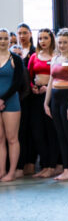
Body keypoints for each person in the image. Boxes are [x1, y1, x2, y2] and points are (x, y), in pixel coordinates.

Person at [44, 29, 68, 181]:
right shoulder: (55, 59)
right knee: (61, 135)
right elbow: (50, 81)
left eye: (65, 42)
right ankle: (66, 168)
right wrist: (46, 103)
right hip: (55, 99)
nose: (62, 45)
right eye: (60, 42)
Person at [29, 28, 61, 178]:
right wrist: (33, 88)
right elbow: (28, 77)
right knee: (37, 132)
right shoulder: (34, 56)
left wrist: (48, 88)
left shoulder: (57, 56)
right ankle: (45, 164)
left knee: (51, 132)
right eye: (40, 38)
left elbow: (61, 77)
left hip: (52, 96)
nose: (42, 41)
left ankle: (52, 166)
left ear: (51, 39)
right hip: (36, 98)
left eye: (45, 38)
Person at [0, 29, 24, 182]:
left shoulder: (15, 59)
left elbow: (17, 83)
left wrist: (2, 99)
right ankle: (1, 170)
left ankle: (12, 171)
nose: (2, 41)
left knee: (12, 138)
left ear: (10, 40)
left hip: (10, 101)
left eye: (5, 38)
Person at [17, 23, 37, 176]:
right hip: (18, 98)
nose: (22, 36)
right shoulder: (14, 52)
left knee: (32, 130)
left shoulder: (35, 52)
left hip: (33, 97)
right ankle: (20, 163)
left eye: (25, 32)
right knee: (20, 132)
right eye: (20, 33)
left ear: (30, 34)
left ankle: (30, 162)